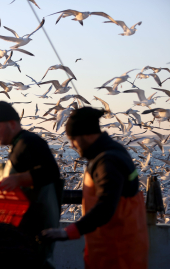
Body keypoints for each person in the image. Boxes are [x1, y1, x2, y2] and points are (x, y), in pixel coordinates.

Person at [41, 107, 149, 269]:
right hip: (115, 245)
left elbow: (106, 205)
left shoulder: (108, 161)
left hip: (117, 253)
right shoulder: (113, 151)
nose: (72, 145)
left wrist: (68, 232)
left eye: (73, 139)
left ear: (86, 135)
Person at [0, 101, 63, 269]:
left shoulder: (29, 142)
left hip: (36, 230)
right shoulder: (17, 145)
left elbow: (51, 172)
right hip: (22, 229)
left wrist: (17, 179)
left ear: (12, 124)